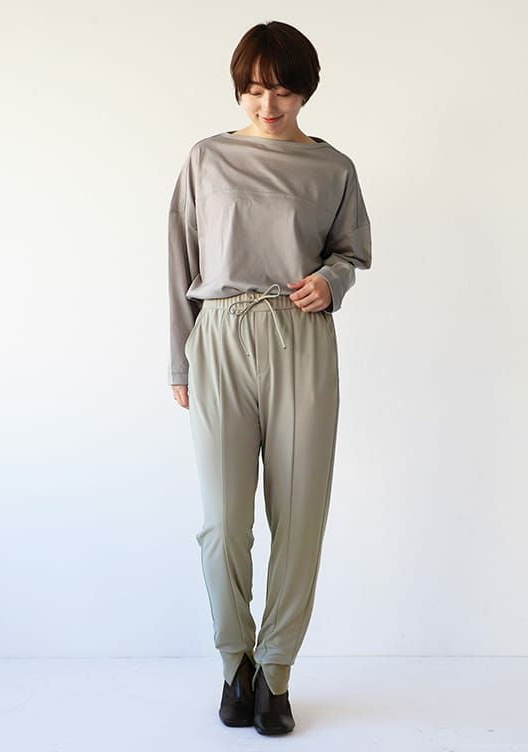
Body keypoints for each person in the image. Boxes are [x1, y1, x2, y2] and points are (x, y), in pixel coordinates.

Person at [167, 20, 372, 736]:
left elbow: (350, 252)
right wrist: (179, 359)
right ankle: (236, 662)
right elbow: (179, 259)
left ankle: (276, 672)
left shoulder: (332, 168)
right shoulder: (208, 159)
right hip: (220, 335)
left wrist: (330, 281)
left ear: (304, 91)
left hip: (300, 338)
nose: (268, 105)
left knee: (300, 516)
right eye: (255, 90)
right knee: (223, 522)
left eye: (282, 91)